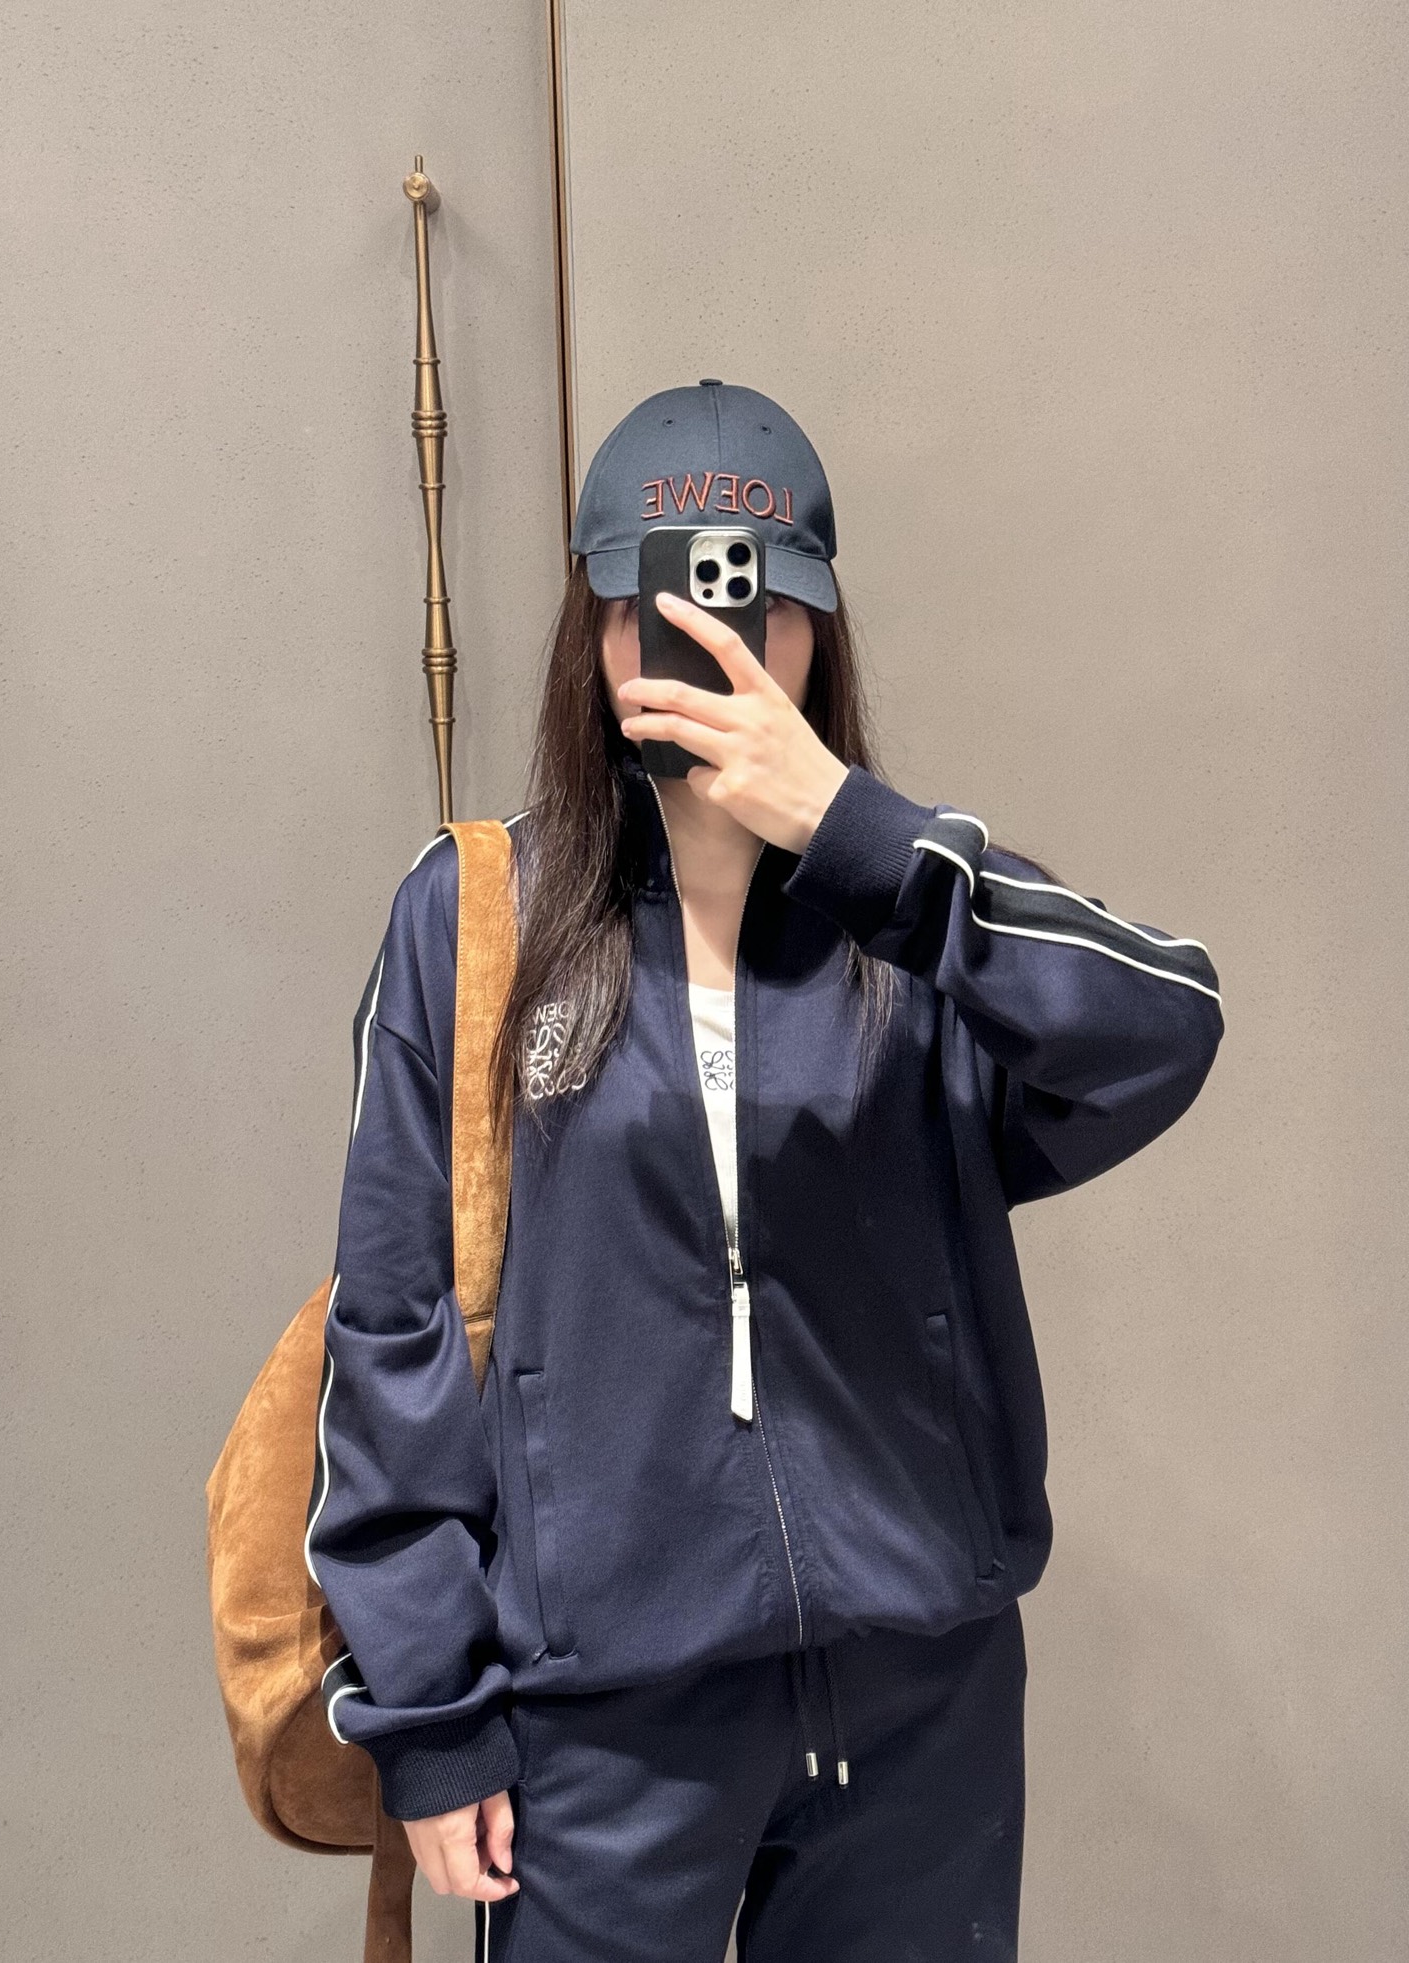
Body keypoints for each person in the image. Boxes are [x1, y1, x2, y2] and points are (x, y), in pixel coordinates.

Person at [304, 379, 1224, 1961]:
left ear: (816, 630)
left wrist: (860, 838)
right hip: (600, 1717)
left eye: (755, 609)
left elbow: (1162, 1028)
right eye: (651, 613)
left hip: (917, 1699)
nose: (707, 650)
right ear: (592, 632)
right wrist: (431, 1716)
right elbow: (391, 1324)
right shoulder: (477, 921)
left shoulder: (914, 920)